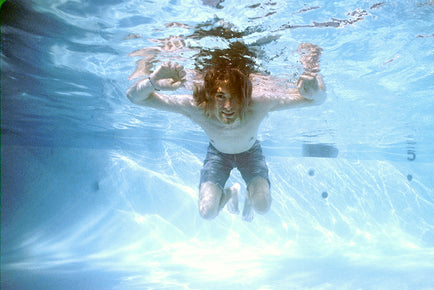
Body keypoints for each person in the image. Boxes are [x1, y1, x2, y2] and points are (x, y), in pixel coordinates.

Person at [126, 43, 326, 221]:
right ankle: (230, 193)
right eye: (221, 96)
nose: (228, 106)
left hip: (250, 154)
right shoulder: (197, 106)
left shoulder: (259, 103)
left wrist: (315, 90)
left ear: (245, 96)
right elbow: (134, 97)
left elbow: (316, 100)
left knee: (262, 207)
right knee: (207, 213)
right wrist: (152, 82)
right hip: (218, 156)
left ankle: (250, 197)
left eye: (235, 97)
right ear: (210, 96)